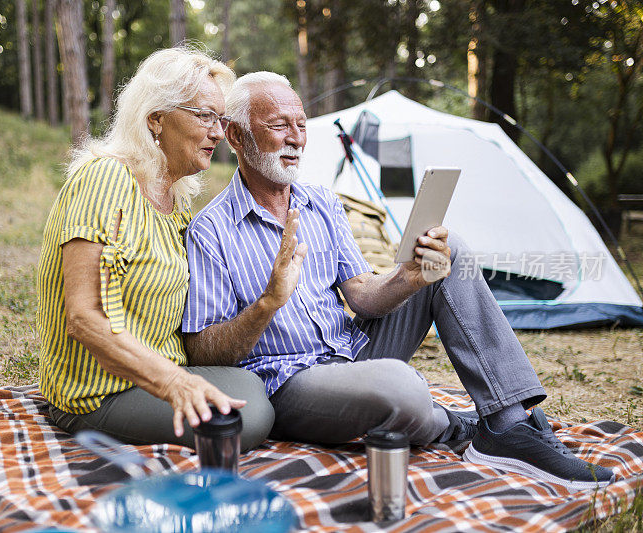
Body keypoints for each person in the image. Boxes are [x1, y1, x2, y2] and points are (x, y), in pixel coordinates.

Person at [181, 71, 615, 490]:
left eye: (300, 124)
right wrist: (268, 302)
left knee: (451, 251)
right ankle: (451, 424)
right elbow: (202, 349)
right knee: (401, 386)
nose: (296, 137)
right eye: (279, 126)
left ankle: (507, 425)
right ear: (237, 136)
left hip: (355, 351)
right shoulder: (211, 230)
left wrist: (409, 277)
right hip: (291, 382)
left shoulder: (322, 203)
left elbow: (362, 297)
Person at [36, 48, 274, 452]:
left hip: (155, 373)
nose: (218, 133)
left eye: (221, 119)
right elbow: (83, 315)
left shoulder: (175, 200)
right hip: (97, 393)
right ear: (156, 119)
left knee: (257, 386)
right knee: (244, 419)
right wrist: (174, 383)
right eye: (205, 116)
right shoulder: (107, 180)